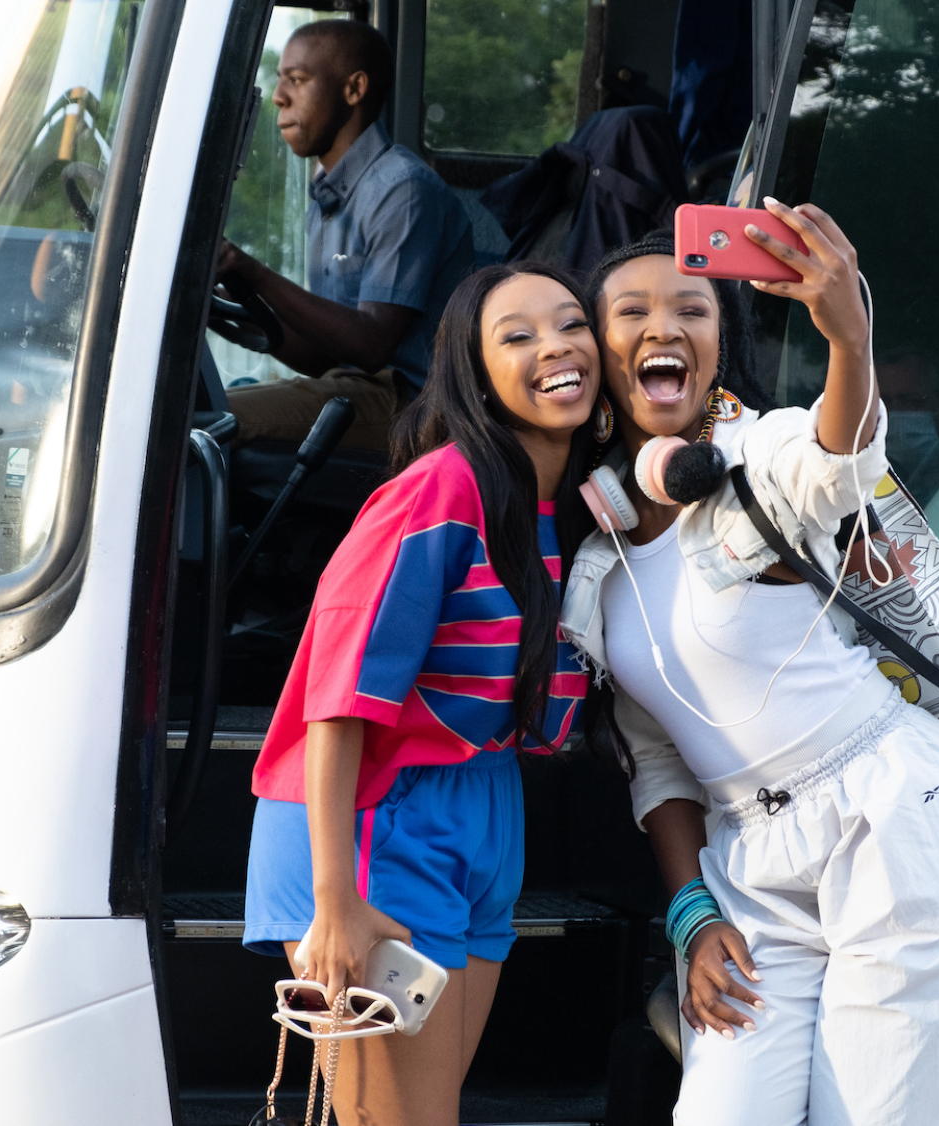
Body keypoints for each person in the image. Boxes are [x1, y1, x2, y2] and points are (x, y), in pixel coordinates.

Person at [558, 207, 939, 1126]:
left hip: (894, 824)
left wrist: (846, 332)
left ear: (716, 343)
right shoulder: (596, 566)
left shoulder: (756, 455)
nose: (665, 327)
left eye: (693, 309)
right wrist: (692, 914)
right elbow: (659, 765)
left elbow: (835, 465)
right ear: (602, 360)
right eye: (633, 312)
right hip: (749, 865)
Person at [242, 261, 598, 1126]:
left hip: (485, 810)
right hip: (374, 827)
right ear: (476, 377)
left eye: (571, 324)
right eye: (517, 336)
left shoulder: (578, 508)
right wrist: (335, 899)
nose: (555, 346)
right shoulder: (439, 492)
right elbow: (336, 697)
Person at [216, 19, 474, 451]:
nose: (278, 97)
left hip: (411, 404)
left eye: (296, 80)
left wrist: (254, 272)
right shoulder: (326, 198)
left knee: (211, 419)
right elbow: (323, 355)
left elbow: (371, 346)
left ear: (353, 90)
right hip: (350, 386)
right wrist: (228, 301)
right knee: (203, 402)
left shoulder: (403, 190)